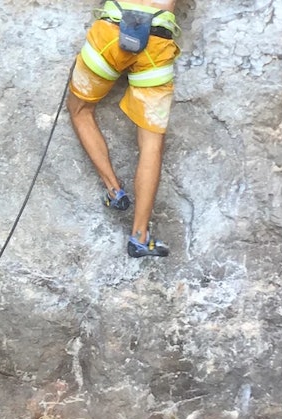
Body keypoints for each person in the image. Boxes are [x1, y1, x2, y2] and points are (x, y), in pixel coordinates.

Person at [67, 0, 181, 258]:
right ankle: (140, 236)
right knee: (152, 143)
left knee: (80, 110)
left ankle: (114, 190)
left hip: (110, 34)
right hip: (156, 42)